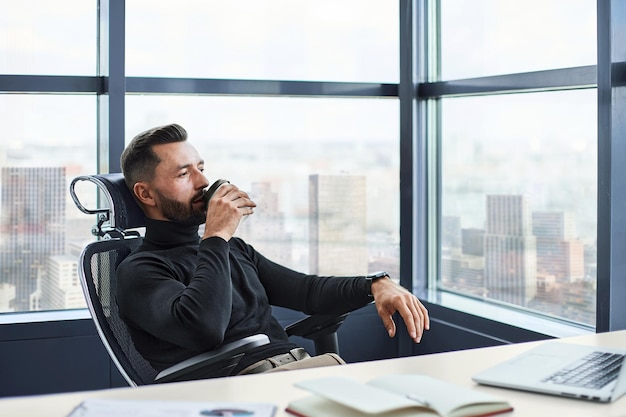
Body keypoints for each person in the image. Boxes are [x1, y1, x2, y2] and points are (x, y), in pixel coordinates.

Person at [116, 123, 430, 379]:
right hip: (242, 393)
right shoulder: (140, 270)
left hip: (297, 373)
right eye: (184, 174)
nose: (204, 182)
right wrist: (216, 236)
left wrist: (376, 284)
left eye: (200, 168)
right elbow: (204, 330)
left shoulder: (232, 249)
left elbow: (308, 292)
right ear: (146, 193)